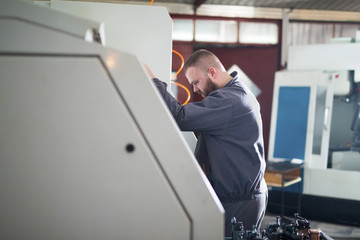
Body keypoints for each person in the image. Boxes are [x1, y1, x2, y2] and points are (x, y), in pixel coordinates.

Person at [145, 49, 268, 237]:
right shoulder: (238, 91)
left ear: (212, 72)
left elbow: (180, 117)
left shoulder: (229, 100)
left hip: (239, 201)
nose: (194, 89)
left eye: (195, 82)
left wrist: (151, 80)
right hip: (244, 195)